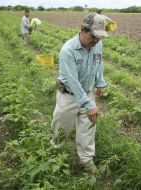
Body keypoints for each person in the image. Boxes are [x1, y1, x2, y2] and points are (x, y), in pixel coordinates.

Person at [51, 13, 115, 174]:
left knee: (88, 127)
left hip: (87, 92)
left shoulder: (97, 44)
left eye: (100, 37)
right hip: (68, 95)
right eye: (94, 36)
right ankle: (53, 154)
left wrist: (100, 82)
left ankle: (86, 160)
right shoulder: (68, 50)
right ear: (82, 30)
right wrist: (88, 104)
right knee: (61, 127)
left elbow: (98, 62)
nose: (97, 40)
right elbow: (72, 81)